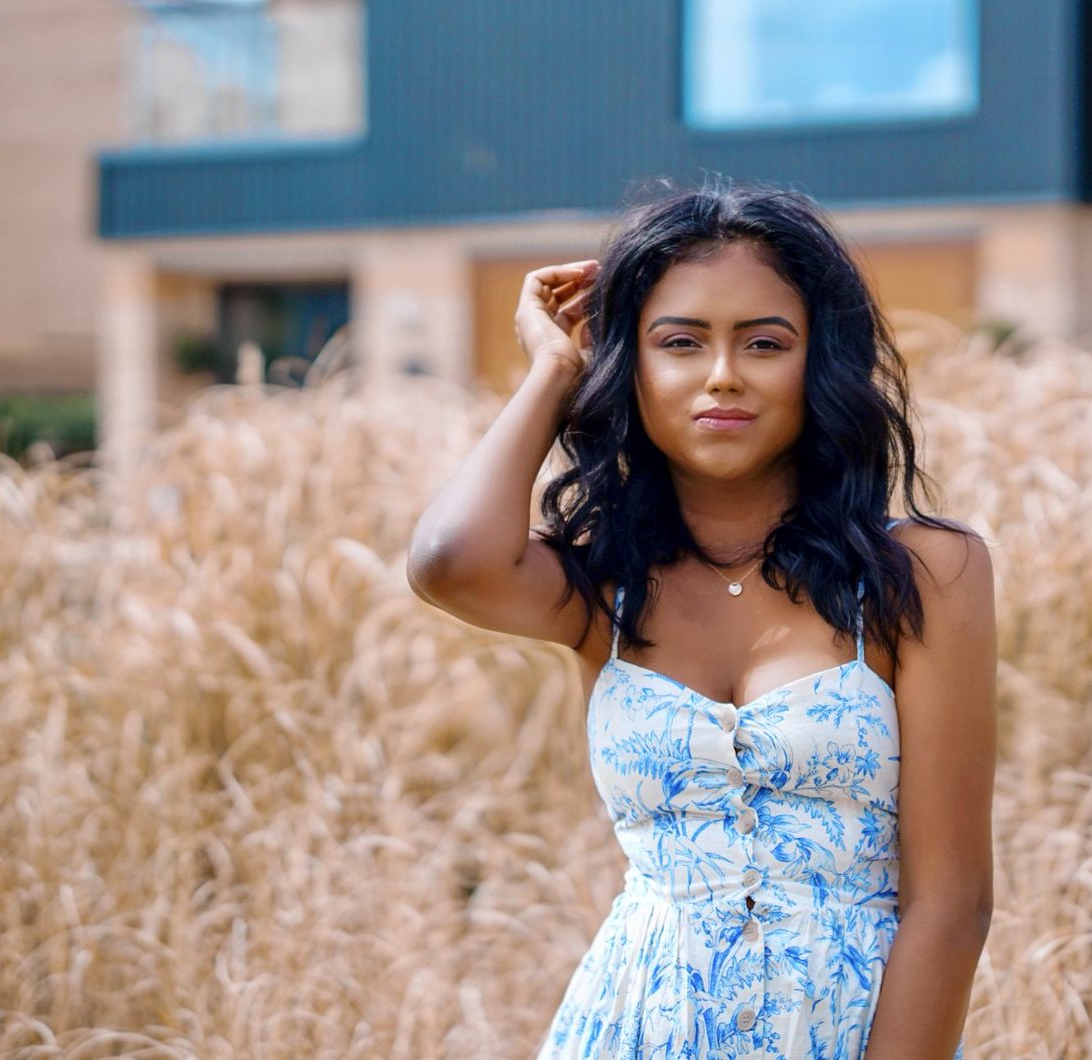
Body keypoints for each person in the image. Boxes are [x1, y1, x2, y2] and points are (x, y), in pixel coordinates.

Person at [407, 176, 997, 1059]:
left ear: (817, 362)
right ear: (632, 367)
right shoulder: (602, 585)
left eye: (764, 342)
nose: (722, 375)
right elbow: (450, 562)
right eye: (679, 342)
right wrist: (554, 369)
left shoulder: (923, 572)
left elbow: (952, 905)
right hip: (630, 1026)